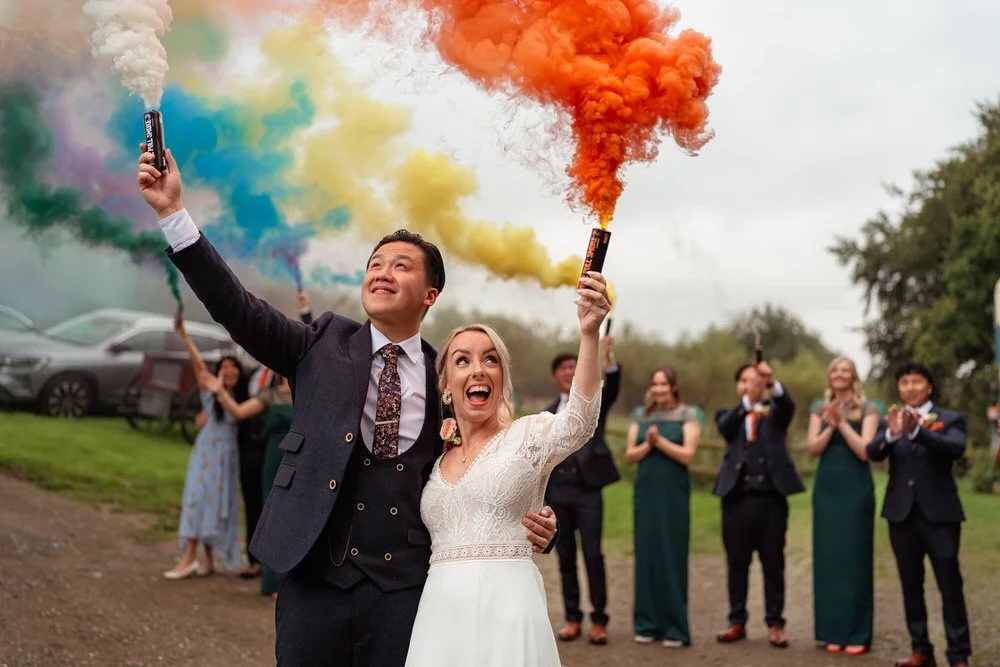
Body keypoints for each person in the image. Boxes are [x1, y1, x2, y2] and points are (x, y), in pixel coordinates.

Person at [137, 145, 558, 666]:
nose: (381, 273)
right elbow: (236, 308)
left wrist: (536, 517)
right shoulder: (318, 345)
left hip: (405, 594)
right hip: (315, 582)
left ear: (429, 295)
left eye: (400, 266)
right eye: (375, 264)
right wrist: (172, 214)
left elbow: (495, 454)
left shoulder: (446, 376)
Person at [405, 271, 610, 666]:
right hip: (440, 616)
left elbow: (581, 420)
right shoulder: (432, 454)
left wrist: (589, 333)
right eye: (463, 360)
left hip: (509, 608)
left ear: (502, 378)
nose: (478, 369)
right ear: (446, 384)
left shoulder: (529, 435)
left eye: (491, 360)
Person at [867, 362, 971, 667]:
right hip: (901, 516)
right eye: (904, 383)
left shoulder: (951, 419)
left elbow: (955, 448)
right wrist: (891, 436)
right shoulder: (892, 422)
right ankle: (921, 649)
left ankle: (958, 654)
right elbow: (873, 452)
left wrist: (918, 432)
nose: (910, 387)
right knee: (911, 585)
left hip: (940, 515)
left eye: (916, 382)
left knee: (950, 586)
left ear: (929, 386)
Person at [713, 360, 804, 649]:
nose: (749, 385)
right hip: (737, 499)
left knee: (773, 563)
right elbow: (725, 429)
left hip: (771, 500)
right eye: (743, 380)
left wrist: (771, 383)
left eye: (755, 381)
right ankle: (736, 621)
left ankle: (775, 624)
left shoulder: (776, 414)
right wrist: (746, 403)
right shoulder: (729, 413)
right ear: (738, 385)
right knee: (736, 563)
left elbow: (788, 406)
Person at [545, 336, 621, 645]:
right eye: (562, 367)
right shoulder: (547, 413)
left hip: (589, 491)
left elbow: (612, 386)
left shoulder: (595, 402)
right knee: (565, 557)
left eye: (573, 366)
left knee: (593, 554)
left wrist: (609, 360)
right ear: (555, 376)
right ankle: (572, 618)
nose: (568, 371)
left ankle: (599, 621)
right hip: (558, 492)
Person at [806, 356, 879, 656]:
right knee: (829, 559)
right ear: (829, 376)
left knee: (855, 559)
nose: (839, 373)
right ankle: (832, 631)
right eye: (834, 368)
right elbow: (812, 449)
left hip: (855, 489)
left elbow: (866, 451)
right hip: (827, 489)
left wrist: (842, 424)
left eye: (844, 369)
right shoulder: (818, 407)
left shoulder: (870, 408)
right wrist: (828, 426)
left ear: (853, 376)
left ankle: (857, 632)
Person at [624, 366, 702, 648]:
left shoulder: (688, 415)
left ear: (673, 387)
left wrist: (660, 442)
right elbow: (631, 455)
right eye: (654, 384)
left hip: (673, 493)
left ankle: (675, 627)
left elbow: (687, 456)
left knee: (672, 553)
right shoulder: (640, 416)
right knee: (646, 554)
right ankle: (647, 624)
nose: (658, 389)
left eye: (663, 384)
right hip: (646, 492)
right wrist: (648, 445)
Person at [164, 318, 247, 580]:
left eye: (234, 367)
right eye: (224, 367)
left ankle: (208, 559)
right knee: (197, 498)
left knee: (215, 503)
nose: (229, 371)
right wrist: (184, 337)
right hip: (205, 454)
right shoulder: (210, 393)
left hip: (227, 458)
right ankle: (188, 558)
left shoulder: (241, 399)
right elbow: (198, 364)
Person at [213, 374, 295, 599]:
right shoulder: (269, 395)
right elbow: (239, 412)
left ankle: (293, 581)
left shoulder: (307, 393)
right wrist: (220, 392)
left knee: (295, 517)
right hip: (274, 459)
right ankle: (273, 580)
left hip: (300, 460)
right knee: (273, 516)